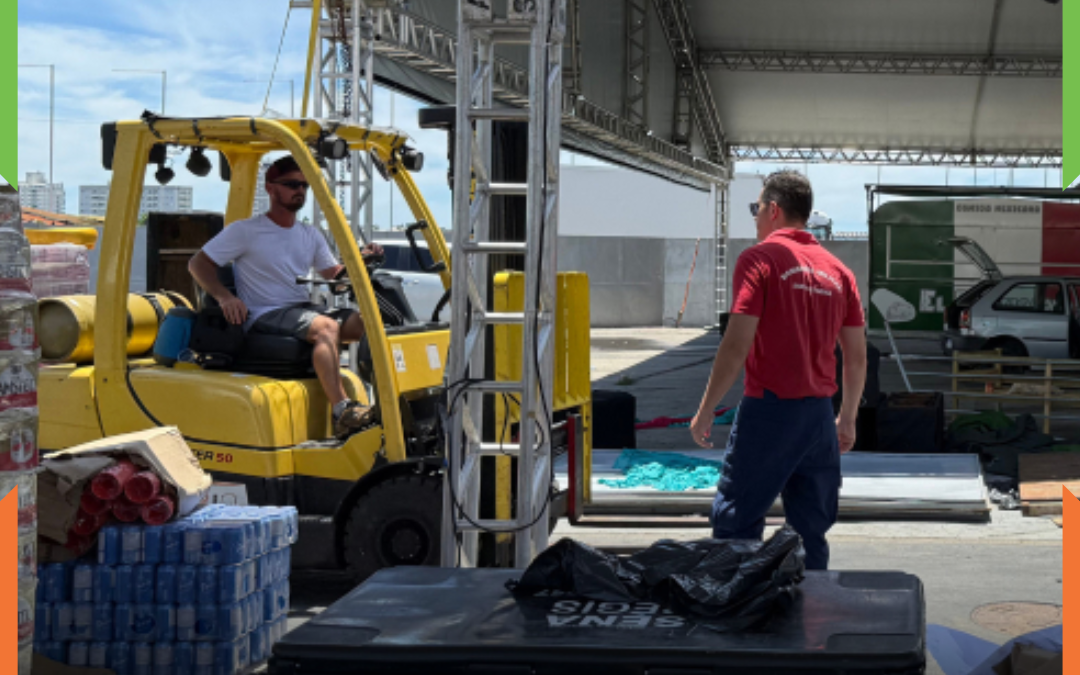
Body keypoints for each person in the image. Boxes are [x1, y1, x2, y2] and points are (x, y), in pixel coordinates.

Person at [689, 170, 866, 571]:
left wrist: (706, 411)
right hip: (819, 416)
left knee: (737, 524)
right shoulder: (839, 273)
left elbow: (736, 344)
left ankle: (735, 617)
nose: (754, 219)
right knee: (810, 529)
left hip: (769, 412)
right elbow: (855, 356)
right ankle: (809, 618)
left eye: (756, 209)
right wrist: (847, 418)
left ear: (773, 209)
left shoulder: (760, 260)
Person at [189, 155, 383, 438]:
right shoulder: (246, 231)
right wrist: (224, 297)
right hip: (264, 313)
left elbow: (334, 278)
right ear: (270, 188)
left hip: (300, 309)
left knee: (369, 322)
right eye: (292, 184)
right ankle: (343, 410)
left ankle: (385, 400)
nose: (300, 191)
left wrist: (360, 262)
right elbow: (197, 264)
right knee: (326, 327)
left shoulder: (309, 234)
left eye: (304, 186)